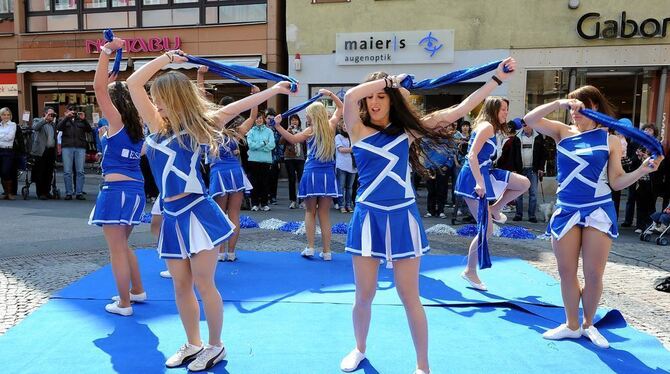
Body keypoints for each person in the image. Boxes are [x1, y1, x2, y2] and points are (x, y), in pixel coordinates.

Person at [339, 57, 517, 374]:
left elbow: (457, 111)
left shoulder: (408, 131)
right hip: (368, 218)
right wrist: (389, 82)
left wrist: (496, 81)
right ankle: (359, 348)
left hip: (403, 217)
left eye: (382, 97)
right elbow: (351, 95)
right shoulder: (356, 127)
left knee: (410, 296)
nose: (375, 102)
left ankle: (423, 366)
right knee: (364, 295)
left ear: (392, 101)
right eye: (372, 96)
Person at [127, 47, 293, 371]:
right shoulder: (155, 125)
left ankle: (215, 345)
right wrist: (165, 59)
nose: (155, 100)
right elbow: (134, 83)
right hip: (172, 217)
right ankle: (193, 342)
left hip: (197, 214)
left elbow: (234, 109)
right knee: (180, 285)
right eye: (154, 96)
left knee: (204, 284)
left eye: (160, 95)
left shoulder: (198, 126)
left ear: (175, 97)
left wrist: (273, 91)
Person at [522, 85, 663, 349]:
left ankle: (588, 324)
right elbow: (528, 120)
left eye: (580, 106)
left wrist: (644, 169)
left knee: (594, 273)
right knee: (566, 272)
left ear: (594, 106)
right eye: (572, 107)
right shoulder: (561, 131)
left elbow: (617, 181)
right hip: (566, 209)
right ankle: (571, 325)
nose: (575, 112)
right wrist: (562, 103)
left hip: (598, 209)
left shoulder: (609, 139)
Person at [88, 38, 147, 316]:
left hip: (116, 190)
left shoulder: (117, 121)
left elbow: (98, 88)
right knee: (123, 245)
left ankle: (124, 303)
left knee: (117, 250)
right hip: (135, 190)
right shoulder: (137, 125)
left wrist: (105, 52)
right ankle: (136, 290)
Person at [454, 95, 530, 291]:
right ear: (494, 110)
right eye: (503, 109)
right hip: (473, 178)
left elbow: (515, 124)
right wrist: (480, 183)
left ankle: (496, 208)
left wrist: (528, 119)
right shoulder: (486, 127)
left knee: (523, 183)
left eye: (507, 108)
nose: (506, 112)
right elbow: (471, 156)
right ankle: (470, 271)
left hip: (486, 172)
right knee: (486, 230)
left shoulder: (493, 127)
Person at [273, 89, 342, 261]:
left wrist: (278, 126)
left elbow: (293, 139)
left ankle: (310, 247)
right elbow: (341, 108)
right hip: (328, 174)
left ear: (312, 115)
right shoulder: (331, 126)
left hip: (311, 173)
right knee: (325, 214)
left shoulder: (310, 131)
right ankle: (327, 252)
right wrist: (330, 94)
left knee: (310, 212)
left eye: (308, 114)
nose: (307, 117)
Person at [209, 86, 260, 262]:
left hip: (219, 172)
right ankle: (231, 252)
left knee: (220, 214)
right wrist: (256, 96)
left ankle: (220, 252)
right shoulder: (237, 132)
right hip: (235, 172)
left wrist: (200, 78)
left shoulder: (212, 130)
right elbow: (253, 117)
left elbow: (201, 105)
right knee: (234, 214)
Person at [57, 105, 92, 200]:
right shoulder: (63, 120)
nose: (73, 112)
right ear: (67, 111)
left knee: (80, 171)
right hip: (67, 147)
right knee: (67, 171)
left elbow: (89, 130)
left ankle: (79, 192)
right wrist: (66, 117)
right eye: (71, 110)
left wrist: (84, 119)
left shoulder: (80, 120)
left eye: (74, 110)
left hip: (80, 147)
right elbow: (59, 127)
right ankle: (69, 193)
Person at [512, 125, 546, 222]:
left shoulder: (538, 137)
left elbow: (543, 154)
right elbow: (513, 154)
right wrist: (513, 168)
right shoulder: (517, 137)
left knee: (533, 193)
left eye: (527, 125)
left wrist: (541, 168)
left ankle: (532, 216)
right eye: (524, 125)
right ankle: (518, 214)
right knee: (518, 193)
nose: (525, 127)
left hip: (533, 169)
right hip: (520, 169)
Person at [246, 111, 275, 211]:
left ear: (263, 120)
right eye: (257, 118)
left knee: (265, 182)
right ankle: (254, 203)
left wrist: (258, 146)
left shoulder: (269, 131)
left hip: (266, 161)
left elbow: (272, 145)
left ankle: (264, 203)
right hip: (253, 160)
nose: (258, 120)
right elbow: (250, 145)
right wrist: (263, 143)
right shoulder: (251, 131)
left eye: (260, 118)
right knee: (254, 182)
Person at [31, 108, 58, 200]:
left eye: (52, 114)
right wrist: (45, 119)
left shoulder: (53, 125)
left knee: (49, 172)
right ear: (45, 113)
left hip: (50, 150)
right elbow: (35, 127)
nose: (51, 116)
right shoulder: (37, 120)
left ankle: (47, 191)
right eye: (49, 114)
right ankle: (40, 192)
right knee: (40, 172)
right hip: (41, 150)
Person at [282, 114, 306, 209]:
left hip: (300, 157)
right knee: (291, 180)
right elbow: (281, 142)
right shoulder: (287, 130)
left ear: (299, 121)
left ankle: (302, 200)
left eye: (296, 120)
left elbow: (305, 143)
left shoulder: (303, 131)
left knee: (301, 179)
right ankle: (292, 200)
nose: (294, 122)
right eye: (292, 120)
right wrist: (287, 132)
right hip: (289, 157)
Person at [335, 120, 357, 213]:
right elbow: (340, 149)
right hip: (342, 165)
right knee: (341, 186)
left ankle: (348, 205)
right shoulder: (338, 137)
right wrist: (353, 149)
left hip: (353, 166)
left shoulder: (354, 137)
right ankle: (341, 205)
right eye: (343, 125)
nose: (345, 126)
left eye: (347, 125)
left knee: (349, 187)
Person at [0, 107, 21, 199]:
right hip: (0, 150)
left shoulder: (13, 125)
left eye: (8, 115)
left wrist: (1, 137)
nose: (6, 116)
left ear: (11, 116)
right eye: (4, 115)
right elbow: (6, 137)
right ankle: (5, 193)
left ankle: (10, 192)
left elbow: (10, 137)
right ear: (1, 116)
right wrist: (4, 136)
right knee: (1, 172)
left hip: (8, 151)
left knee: (6, 171)